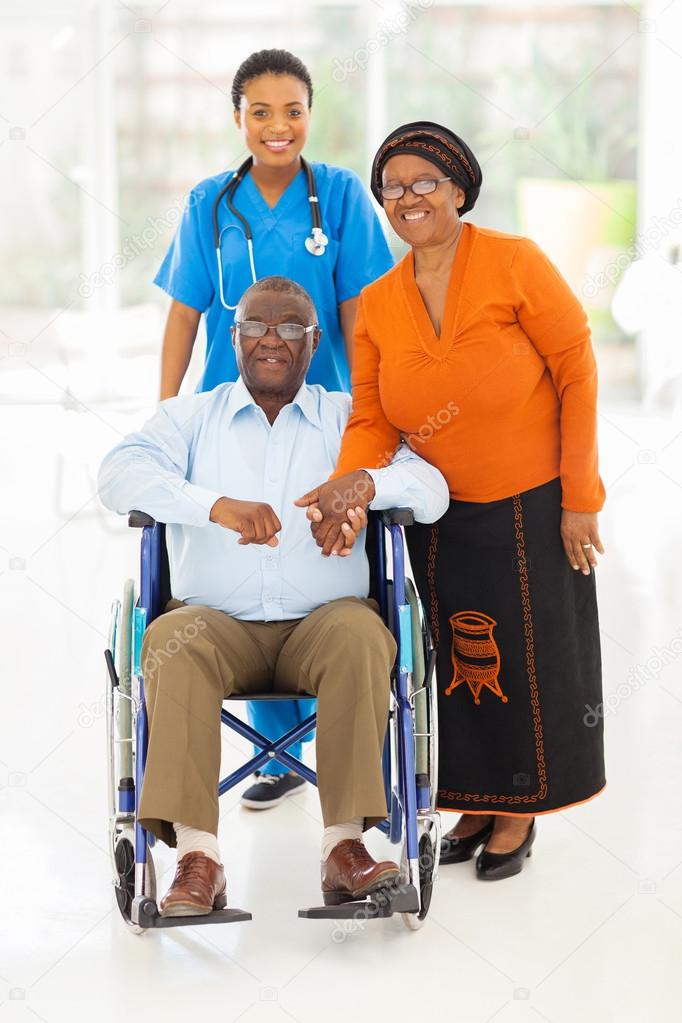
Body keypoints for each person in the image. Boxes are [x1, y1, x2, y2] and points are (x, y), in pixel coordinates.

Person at [296, 122, 607, 882]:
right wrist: (345, 492)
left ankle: (521, 807)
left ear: (458, 191)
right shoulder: (376, 303)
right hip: (436, 513)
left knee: (532, 662)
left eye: (424, 182)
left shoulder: (515, 262)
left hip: (531, 502)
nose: (409, 198)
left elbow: (575, 367)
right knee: (460, 667)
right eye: (393, 188)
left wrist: (581, 494)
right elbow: (371, 417)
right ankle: (474, 800)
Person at [98, 277, 449, 915]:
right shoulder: (190, 418)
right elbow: (118, 476)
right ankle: (198, 857)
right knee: (169, 642)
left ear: (315, 342)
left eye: (291, 327)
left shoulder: (347, 417)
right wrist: (214, 507)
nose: (272, 339)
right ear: (233, 338)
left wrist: (365, 484)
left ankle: (345, 851)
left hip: (324, 623)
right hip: (215, 624)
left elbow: (432, 486)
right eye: (256, 325)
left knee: (363, 635)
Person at [153, 49, 394, 810]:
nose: (278, 125)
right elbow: (186, 312)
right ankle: (281, 752)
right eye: (260, 111)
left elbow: (359, 309)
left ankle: (342, 743)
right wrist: (166, 415)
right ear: (238, 118)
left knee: (315, 552)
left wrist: (368, 408)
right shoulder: (209, 204)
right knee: (242, 555)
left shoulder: (344, 196)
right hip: (231, 408)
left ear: (310, 116)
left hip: (323, 410)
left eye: (293, 110)